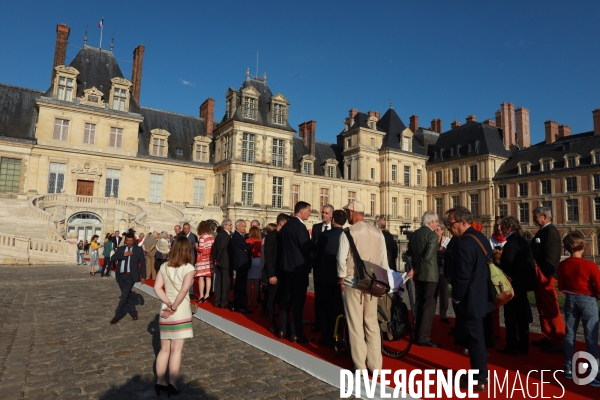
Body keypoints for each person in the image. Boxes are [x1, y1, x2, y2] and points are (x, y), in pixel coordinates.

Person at [337, 201, 390, 372]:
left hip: (354, 281)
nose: (346, 215)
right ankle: (376, 366)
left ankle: (360, 366)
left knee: (355, 324)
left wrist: (341, 276)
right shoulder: (378, 232)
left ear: (352, 212)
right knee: (372, 324)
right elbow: (384, 261)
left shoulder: (348, 232)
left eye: (347, 211)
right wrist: (384, 283)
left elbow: (340, 259)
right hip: (374, 282)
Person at [446, 206, 494, 392]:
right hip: (483, 295)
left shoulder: (464, 243)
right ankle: (479, 375)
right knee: (478, 337)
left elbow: (463, 276)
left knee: (475, 339)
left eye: (451, 224)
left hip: (471, 298)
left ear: (463, 222)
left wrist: (457, 297)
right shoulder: (480, 237)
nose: (449, 228)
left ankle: (479, 378)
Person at [153, 236, 195, 396]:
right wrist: (175, 306)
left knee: (164, 350)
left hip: (165, 309)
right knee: (177, 350)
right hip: (181, 309)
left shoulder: (164, 266)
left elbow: (157, 288)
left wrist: (168, 304)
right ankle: (172, 383)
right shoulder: (189, 268)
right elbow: (184, 290)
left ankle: (160, 382)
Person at [558, 233, 600, 386]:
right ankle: (593, 372)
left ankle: (568, 368)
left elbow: (561, 285)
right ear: (583, 247)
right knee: (591, 337)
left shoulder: (563, 265)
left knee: (569, 335)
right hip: (587, 300)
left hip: (570, 299)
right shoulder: (590, 266)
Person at [496, 216, 536, 356]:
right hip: (523, 284)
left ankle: (511, 344)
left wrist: (496, 262)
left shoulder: (511, 243)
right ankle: (523, 344)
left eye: (502, 226)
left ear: (509, 227)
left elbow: (507, 265)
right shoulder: (522, 241)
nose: (500, 228)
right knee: (522, 317)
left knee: (511, 317)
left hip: (514, 285)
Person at [530, 207, 565, 354]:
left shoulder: (550, 232)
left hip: (546, 276)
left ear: (544, 217)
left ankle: (558, 340)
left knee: (551, 309)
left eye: (535, 217)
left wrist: (547, 276)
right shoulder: (544, 231)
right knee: (543, 309)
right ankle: (547, 336)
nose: (534, 219)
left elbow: (551, 257)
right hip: (541, 276)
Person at [280, 201, 313, 342]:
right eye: (309, 211)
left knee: (286, 300)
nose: (310, 213)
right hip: (298, 269)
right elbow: (305, 247)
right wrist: (314, 243)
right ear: (301, 212)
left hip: (286, 268)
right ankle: (296, 332)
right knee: (298, 302)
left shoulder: (286, 226)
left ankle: (283, 329)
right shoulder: (300, 226)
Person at [314, 209, 346, 347]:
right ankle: (337, 336)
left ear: (333, 220)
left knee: (324, 307)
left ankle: (326, 336)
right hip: (340, 277)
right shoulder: (347, 235)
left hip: (324, 276)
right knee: (338, 308)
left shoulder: (323, 235)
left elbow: (317, 256)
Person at [410, 211, 441, 347]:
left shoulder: (415, 234)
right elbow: (428, 257)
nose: (438, 224)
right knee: (429, 306)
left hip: (418, 276)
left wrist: (413, 269)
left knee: (419, 303)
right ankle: (423, 337)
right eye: (437, 222)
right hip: (430, 275)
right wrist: (417, 269)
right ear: (430, 222)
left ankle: (417, 333)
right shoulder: (432, 236)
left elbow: (408, 254)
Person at [109, 233, 146, 324]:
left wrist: (143, 276)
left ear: (134, 240)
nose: (129, 242)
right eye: (128, 241)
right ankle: (133, 312)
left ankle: (117, 315)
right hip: (120, 276)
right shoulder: (121, 249)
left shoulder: (138, 250)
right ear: (125, 240)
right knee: (128, 295)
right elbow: (112, 258)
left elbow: (143, 264)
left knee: (124, 296)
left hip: (131, 276)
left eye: (131, 241)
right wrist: (123, 255)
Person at [263, 214, 290, 335]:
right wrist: (271, 274)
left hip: (281, 272)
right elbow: (268, 257)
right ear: (282, 223)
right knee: (271, 299)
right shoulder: (271, 236)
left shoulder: (282, 236)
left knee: (280, 298)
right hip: (273, 272)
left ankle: (283, 323)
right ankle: (272, 324)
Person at [310, 204, 333, 333]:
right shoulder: (316, 227)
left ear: (331, 215)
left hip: (330, 269)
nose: (323, 215)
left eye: (325, 213)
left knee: (330, 297)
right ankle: (318, 321)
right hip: (318, 267)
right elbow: (313, 246)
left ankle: (329, 322)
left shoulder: (335, 229)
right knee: (318, 296)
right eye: (322, 212)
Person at [229, 219, 253, 314]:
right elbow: (248, 247)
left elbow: (246, 247)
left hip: (242, 263)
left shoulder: (240, 236)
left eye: (245, 226)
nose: (245, 228)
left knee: (239, 285)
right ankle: (239, 305)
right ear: (237, 226)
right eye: (243, 226)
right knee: (240, 285)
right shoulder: (237, 236)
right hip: (241, 263)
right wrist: (248, 247)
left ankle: (236, 304)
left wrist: (247, 247)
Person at [213, 219, 233, 309]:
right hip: (225, 262)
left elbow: (214, 248)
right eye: (230, 225)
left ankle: (218, 301)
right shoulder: (226, 235)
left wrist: (216, 258)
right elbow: (221, 248)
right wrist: (218, 259)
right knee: (225, 283)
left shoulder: (219, 234)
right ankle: (224, 302)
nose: (231, 226)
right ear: (225, 225)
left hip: (220, 262)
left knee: (219, 282)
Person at [195, 221, 215, 303]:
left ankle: (201, 295)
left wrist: (196, 246)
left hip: (202, 259)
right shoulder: (211, 236)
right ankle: (207, 295)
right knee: (208, 277)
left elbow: (201, 249)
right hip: (210, 258)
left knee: (201, 277)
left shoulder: (202, 237)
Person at [435, 224, 451, 324]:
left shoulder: (447, 241)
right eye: (435, 230)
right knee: (432, 292)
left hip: (443, 270)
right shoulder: (432, 241)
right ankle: (431, 313)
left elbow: (451, 254)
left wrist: (444, 253)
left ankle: (443, 314)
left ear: (442, 231)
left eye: (437, 230)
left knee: (444, 293)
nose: (435, 232)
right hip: (434, 270)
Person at [245, 226, 262, 310]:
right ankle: (255, 300)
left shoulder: (248, 240)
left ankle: (248, 300)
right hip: (258, 261)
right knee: (256, 282)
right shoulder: (260, 241)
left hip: (250, 260)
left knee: (248, 282)